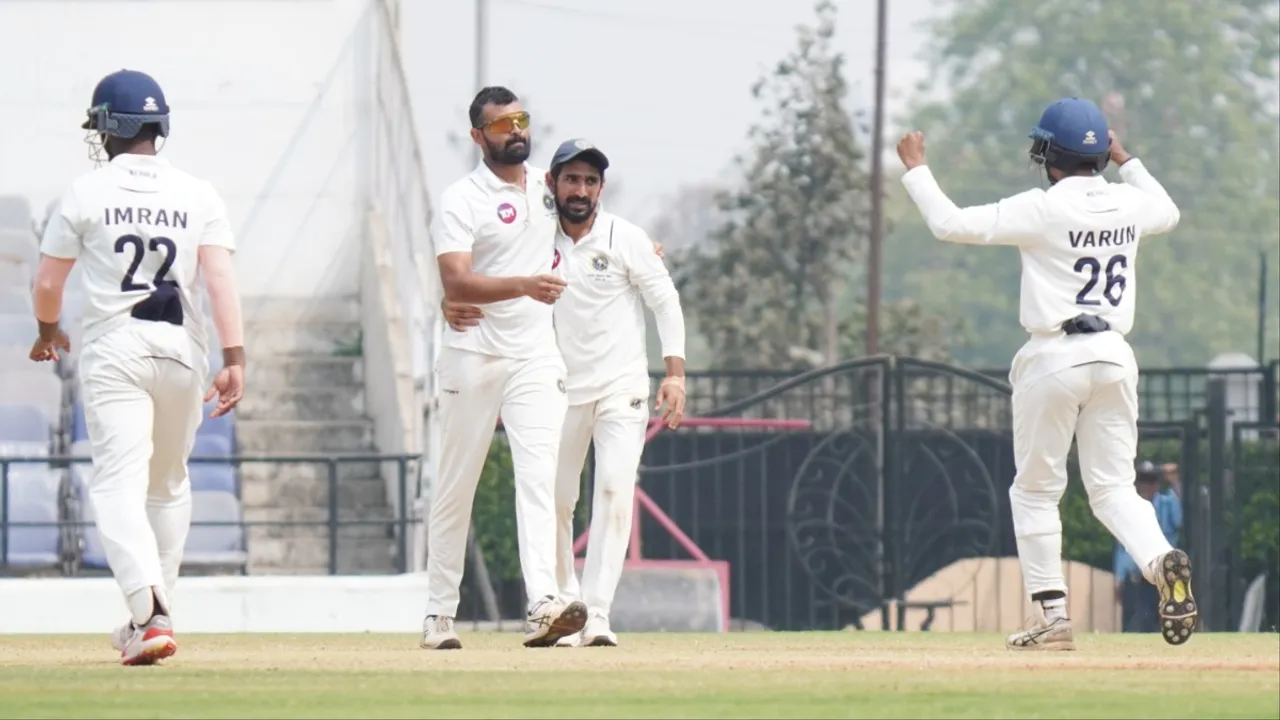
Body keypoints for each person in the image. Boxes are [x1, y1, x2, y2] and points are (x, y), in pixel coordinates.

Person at [896, 97, 1196, 651]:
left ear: (1046, 154)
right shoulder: (1130, 203)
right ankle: (1160, 562)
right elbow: (1169, 211)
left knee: (1035, 492)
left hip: (1055, 355)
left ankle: (1054, 618)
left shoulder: (1043, 207)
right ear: (1101, 154)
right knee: (1113, 488)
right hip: (1113, 354)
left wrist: (916, 169)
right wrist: (1128, 160)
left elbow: (950, 224)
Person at [31, 68, 245, 666]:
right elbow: (221, 279)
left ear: (107, 127)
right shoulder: (198, 192)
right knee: (170, 486)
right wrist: (235, 358)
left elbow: (49, 281)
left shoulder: (86, 190)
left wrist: (49, 330)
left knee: (117, 484)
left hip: (116, 348)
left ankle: (149, 613)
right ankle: (151, 617)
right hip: (183, 350)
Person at [443, 139, 688, 647]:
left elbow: (665, 301)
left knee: (615, 492)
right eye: (571, 179)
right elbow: (474, 264)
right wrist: (448, 303)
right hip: (557, 388)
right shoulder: (536, 235)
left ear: (601, 188)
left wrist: (675, 373)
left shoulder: (627, 237)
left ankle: (597, 613)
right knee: (555, 503)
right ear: (551, 184)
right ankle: (565, 604)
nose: (581, 190)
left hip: (621, 387)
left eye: (591, 181)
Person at [422, 86, 586, 650]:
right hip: (474, 353)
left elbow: (592, 223)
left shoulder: (547, 185)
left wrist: (644, 251)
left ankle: (544, 602)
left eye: (520, 119)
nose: (515, 130)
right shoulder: (461, 198)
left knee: (540, 479)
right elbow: (457, 281)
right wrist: (520, 286)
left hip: (535, 356)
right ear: (478, 136)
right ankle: (440, 612)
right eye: (501, 124)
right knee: (456, 484)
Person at [1115, 460, 1184, 632]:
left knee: (1160, 619)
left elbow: (1181, 519)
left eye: (1151, 481)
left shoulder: (1168, 503)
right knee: (1133, 620)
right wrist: (1119, 576)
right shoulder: (1129, 507)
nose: (1146, 486)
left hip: (1161, 571)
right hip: (1135, 574)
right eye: (1142, 481)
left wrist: (1175, 481)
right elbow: (1121, 546)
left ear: (1157, 484)